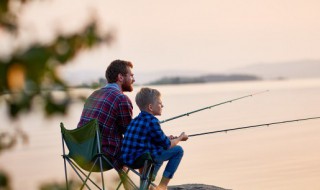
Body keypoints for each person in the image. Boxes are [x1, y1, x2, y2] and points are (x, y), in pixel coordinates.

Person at [121, 87, 188, 190]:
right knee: (178, 151)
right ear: (150, 107)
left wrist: (166, 137)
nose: (162, 105)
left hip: (127, 159)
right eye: (160, 103)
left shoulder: (135, 120)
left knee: (158, 148)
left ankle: (149, 183)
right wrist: (180, 137)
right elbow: (167, 144)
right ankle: (162, 186)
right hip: (141, 160)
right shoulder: (152, 121)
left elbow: (148, 138)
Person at [77, 59, 135, 170]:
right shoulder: (121, 98)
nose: (134, 79)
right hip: (103, 157)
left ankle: (129, 186)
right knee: (144, 148)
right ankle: (146, 186)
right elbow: (129, 133)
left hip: (82, 154)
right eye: (131, 76)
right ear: (120, 77)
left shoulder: (94, 94)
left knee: (119, 144)